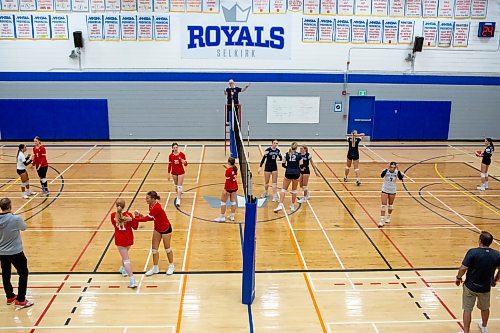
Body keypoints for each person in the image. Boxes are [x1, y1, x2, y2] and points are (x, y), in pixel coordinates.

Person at [455, 231, 500, 333]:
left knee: (467, 309)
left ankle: (466, 331)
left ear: (480, 241)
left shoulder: (472, 252)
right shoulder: (497, 254)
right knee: (485, 308)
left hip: (470, 286)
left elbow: (463, 268)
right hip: (485, 287)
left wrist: (458, 277)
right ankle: (484, 327)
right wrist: (495, 280)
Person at [0, 198, 33, 309]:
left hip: (2, 252)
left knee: (5, 273)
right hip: (16, 252)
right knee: (23, 273)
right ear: (10, 206)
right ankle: (21, 299)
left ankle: (10, 296)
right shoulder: (15, 219)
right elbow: (24, 227)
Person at [134, 191, 174, 276]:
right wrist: (142, 216)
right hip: (157, 228)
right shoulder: (151, 205)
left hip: (165, 228)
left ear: (153, 199)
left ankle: (171, 265)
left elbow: (147, 219)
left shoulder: (157, 207)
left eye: (147, 198)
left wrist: (134, 219)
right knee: (154, 249)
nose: (146, 200)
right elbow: (152, 217)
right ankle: (155, 268)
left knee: (167, 248)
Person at [111, 198, 139, 288]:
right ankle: (123, 269)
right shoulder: (129, 215)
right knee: (125, 256)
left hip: (120, 240)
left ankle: (132, 280)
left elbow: (116, 224)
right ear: (124, 206)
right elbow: (135, 227)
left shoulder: (112, 216)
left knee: (126, 260)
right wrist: (136, 217)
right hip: (129, 239)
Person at [274, 142, 303, 213]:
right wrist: (297, 169)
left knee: (283, 189)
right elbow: (301, 165)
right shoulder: (299, 155)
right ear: (296, 148)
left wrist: (289, 167)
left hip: (288, 173)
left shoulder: (286, 154)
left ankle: (280, 205)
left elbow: (283, 164)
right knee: (294, 190)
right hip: (296, 173)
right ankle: (292, 206)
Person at [378, 162, 404, 227]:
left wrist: (398, 170)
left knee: (390, 205)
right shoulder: (385, 171)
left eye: (394, 167)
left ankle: (388, 216)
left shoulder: (397, 172)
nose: (392, 169)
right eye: (391, 167)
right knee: (383, 205)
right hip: (385, 189)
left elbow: (401, 178)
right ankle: (382, 220)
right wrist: (387, 168)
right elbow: (382, 176)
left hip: (392, 190)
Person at [214, 157, 238, 222]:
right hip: (235, 187)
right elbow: (232, 174)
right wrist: (227, 168)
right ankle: (232, 216)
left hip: (229, 188)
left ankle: (222, 217)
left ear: (229, 162)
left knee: (223, 202)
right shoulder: (235, 169)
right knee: (233, 201)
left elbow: (227, 180)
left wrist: (225, 189)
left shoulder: (228, 171)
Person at [168, 142, 187, 207]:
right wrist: (168, 173)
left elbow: (186, 164)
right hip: (174, 172)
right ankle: (178, 194)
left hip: (181, 172)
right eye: (174, 148)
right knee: (176, 186)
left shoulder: (182, 154)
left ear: (178, 147)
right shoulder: (170, 156)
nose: (175, 149)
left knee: (179, 186)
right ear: (172, 148)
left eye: (176, 147)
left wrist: (184, 162)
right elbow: (169, 165)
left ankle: (178, 200)